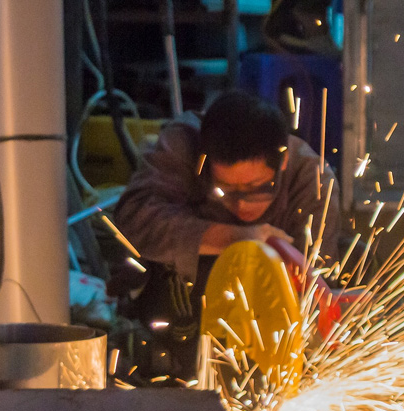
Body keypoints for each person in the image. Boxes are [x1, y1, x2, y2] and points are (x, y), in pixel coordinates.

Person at [113, 90, 341, 379]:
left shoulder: (313, 180)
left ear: (282, 162)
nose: (242, 204)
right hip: (175, 311)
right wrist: (234, 238)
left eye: (258, 188)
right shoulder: (183, 144)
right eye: (226, 190)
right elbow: (133, 219)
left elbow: (316, 287)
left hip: (270, 329)